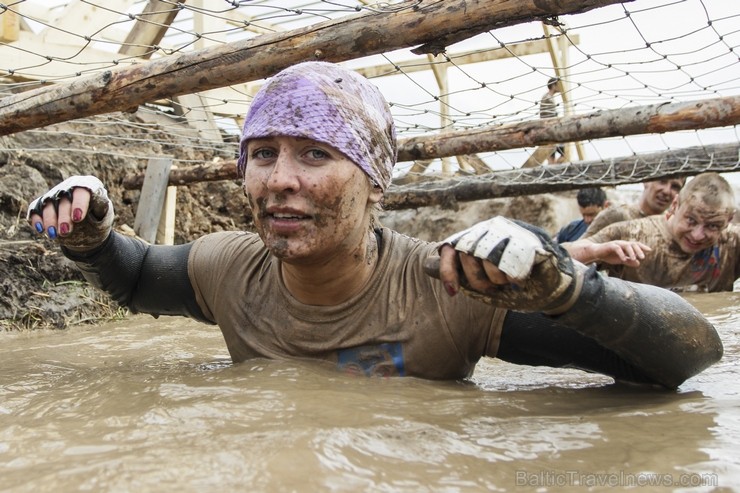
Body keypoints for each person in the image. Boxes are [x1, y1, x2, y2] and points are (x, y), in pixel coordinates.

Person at [26, 61, 722, 389]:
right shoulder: (228, 268)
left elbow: (689, 359)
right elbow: (141, 277)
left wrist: (570, 287)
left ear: (375, 180)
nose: (281, 179)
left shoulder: (454, 290)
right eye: (262, 154)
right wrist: (94, 239)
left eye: (316, 154)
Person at [565, 172, 739, 292]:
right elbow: (557, 257)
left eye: (712, 226)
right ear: (676, 204)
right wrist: (596, 252)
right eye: (691, 220)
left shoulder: (732, 243)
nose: (697, 235)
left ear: (728, 220)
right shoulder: (633, 233)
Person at [582, 177, 685, 238]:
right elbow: (575, 257)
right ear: (646, 181)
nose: (667, 191)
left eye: (675, 186)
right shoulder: (616, 216)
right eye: (662, 181)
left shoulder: (672, 229)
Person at [539, 77, 565, 164]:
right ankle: (553, 168)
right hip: (550, 129)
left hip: (551, 129)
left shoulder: (548, 97)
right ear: (553, 86)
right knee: (553, 154)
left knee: (555, 154)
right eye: (558, 85)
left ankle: (554, 168)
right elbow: (546, 115)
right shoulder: (547, 98)